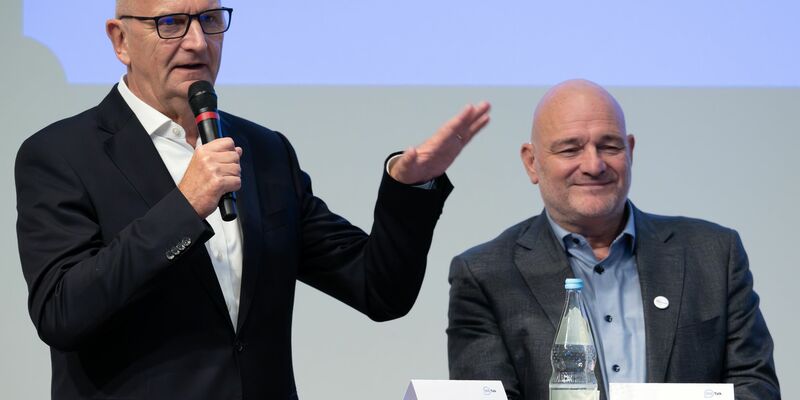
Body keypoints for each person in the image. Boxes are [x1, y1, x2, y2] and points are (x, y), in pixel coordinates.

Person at [14, 1, 490, 399]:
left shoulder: (262, 151)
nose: (198, 42)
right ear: (120, 40)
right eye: (171, 23)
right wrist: (184, 208)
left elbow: (379, 289)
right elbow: (62, 312)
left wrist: (410, 188)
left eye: (210, 19)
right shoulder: (61, 155)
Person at [446, 79, 779, 400]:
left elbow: (754, 387)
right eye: (570, 149)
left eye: (609, 146)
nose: (594, 164)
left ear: (630, 150)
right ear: (532, 162)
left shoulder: (714, 254)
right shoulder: (486, 275)